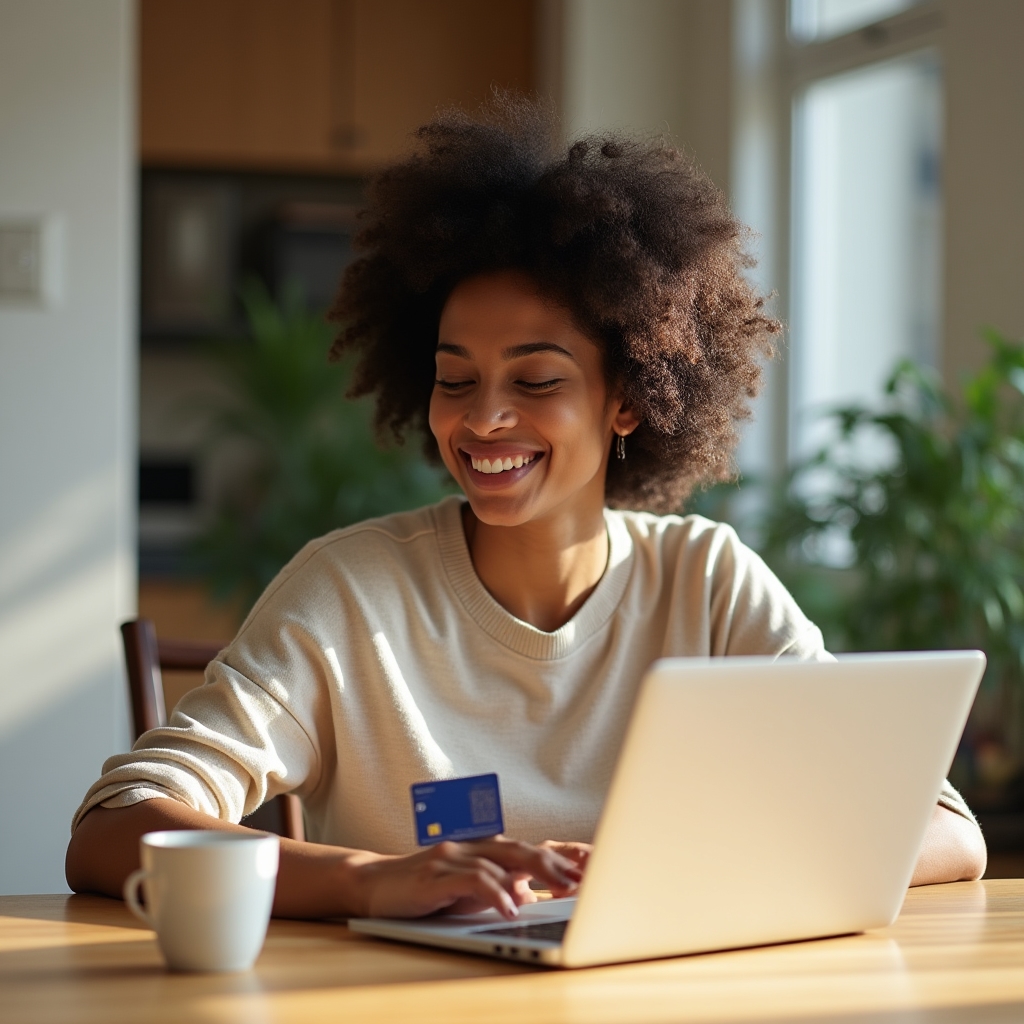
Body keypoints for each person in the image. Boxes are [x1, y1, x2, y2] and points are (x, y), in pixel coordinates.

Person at [66, 98, 986, 920]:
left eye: (536, 379)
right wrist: (366, 878)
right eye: (453, 379)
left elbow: (948, 831)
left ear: (628, 398)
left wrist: (669, 879)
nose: (483, 417)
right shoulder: (354, 591)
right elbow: (110, 830)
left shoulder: (707, 583)